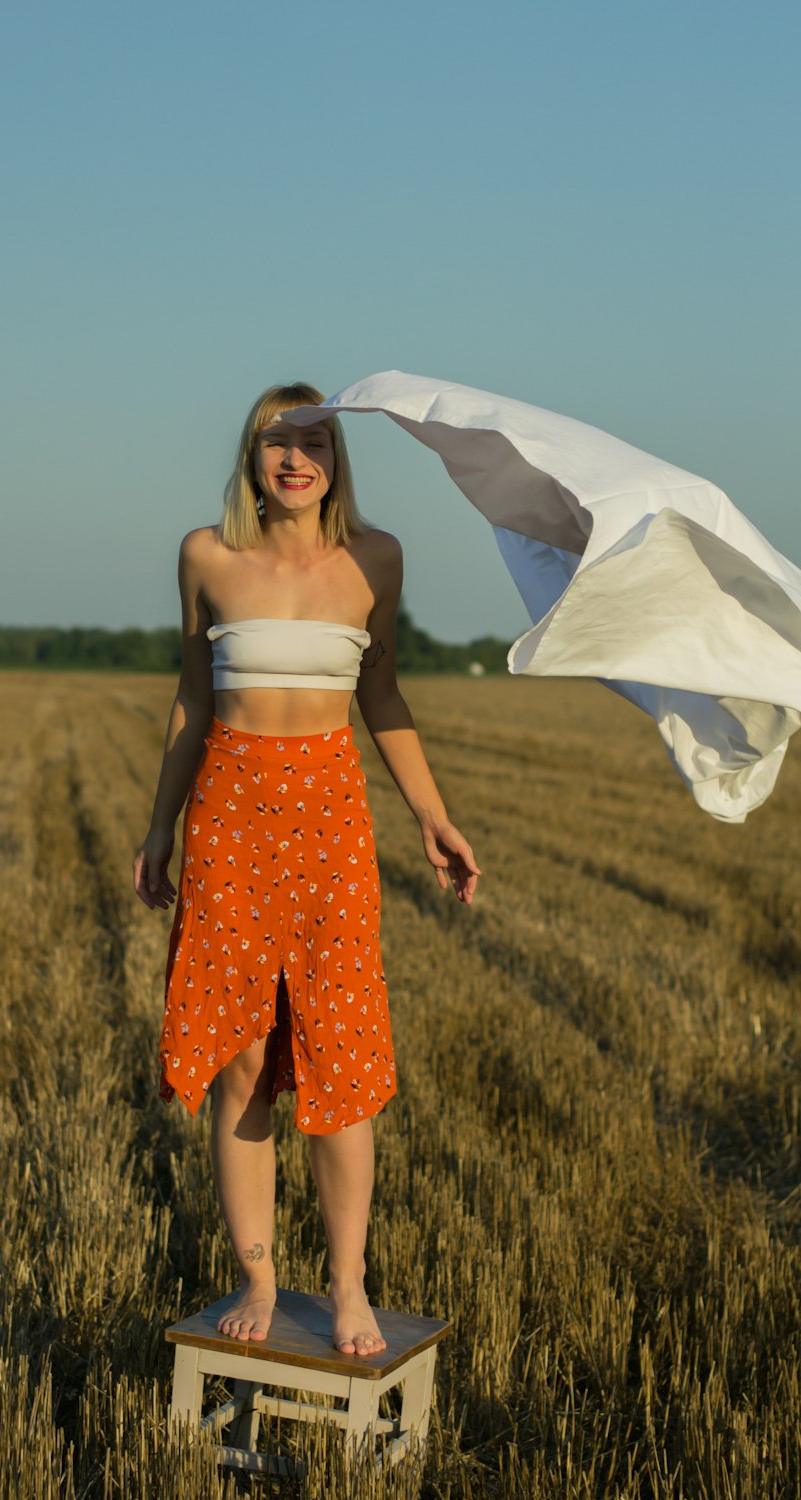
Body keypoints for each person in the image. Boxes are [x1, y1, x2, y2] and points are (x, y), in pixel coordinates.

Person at [133, 382, 481, 1357]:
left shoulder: (376, 558)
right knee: (243, 1059)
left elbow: (382, 691)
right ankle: (255, 1278)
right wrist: (159, 828)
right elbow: (191, 698)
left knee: (340, 1060)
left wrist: (432, 817)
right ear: (249, 459)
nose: (295, 457)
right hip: (230, 823)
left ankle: (347, 1287)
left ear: (337, 457)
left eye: (314, 441)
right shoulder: (206, 555)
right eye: (274, 441)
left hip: (328, 821)